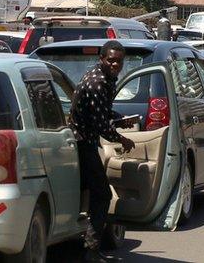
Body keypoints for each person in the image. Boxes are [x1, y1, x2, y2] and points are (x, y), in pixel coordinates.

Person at [71, 40, 138, 262]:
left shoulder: (103, 78)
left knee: (87, 192)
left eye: (118, 61)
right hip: (83, 143)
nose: (115, 65)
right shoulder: (98, 82)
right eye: (110, 60)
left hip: (85, 141)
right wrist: (122, 139)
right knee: (102, 195)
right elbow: (100, 124)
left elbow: (102, 112)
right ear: (102, 59)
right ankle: (91, 250)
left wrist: (119, 119)